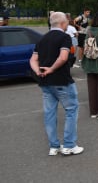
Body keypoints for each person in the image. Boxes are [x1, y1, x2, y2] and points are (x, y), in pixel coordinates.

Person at [29, 12, 84, 156]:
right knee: (71, 110)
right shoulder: (65, 37)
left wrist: (40, 72)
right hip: (62, 81)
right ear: (62, 23)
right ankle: (69, 145)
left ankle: (54, 146)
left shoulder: (42, 39)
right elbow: (64, 57)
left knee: (49, 113)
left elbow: (33, 60)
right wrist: (52, 69)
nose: (68, 23)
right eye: (67, 21)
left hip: (45, 82)